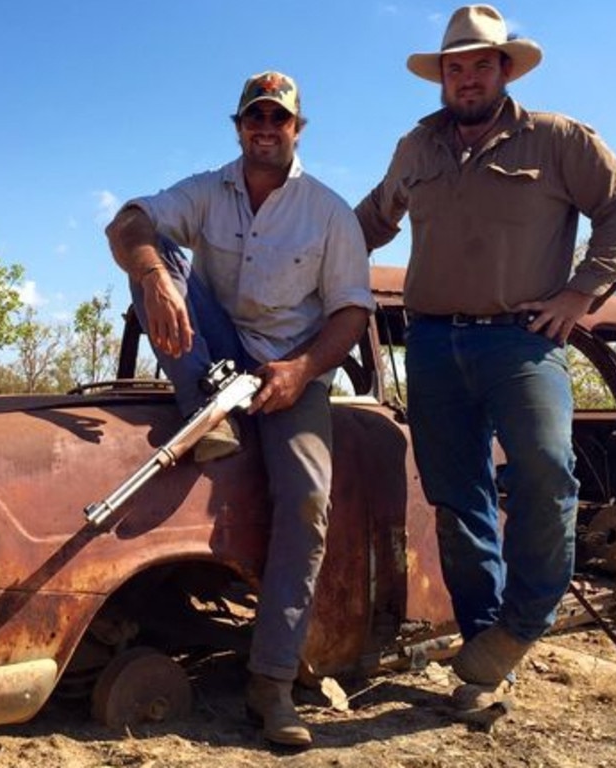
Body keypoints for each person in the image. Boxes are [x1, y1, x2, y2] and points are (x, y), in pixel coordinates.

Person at [355, 4, 616, 712]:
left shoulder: (556, 139)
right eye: (455, 68)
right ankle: (485, 655)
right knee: (458, 501)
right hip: (429, 343)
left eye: (481, 64)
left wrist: (581, 293)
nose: (466, 78)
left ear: (504, 69)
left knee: (548, 476)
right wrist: (284, 257)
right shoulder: (415, 149)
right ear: (442, 78)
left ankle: (520, 626)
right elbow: (366, 224)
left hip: (523, 341)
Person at [106, 70, 374, 747]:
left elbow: (348, 313)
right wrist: (153, 277)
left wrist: (302, 369)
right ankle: (207, 409)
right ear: (238, 126)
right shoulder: (207, 188)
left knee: (308, 502)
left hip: (296, 371)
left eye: (278, 118)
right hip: (216, 352)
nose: (265, 127)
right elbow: (128, 221)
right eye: (254, 116)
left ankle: (273, 683)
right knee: (152, 246)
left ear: (296, 130)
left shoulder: (330, 212)